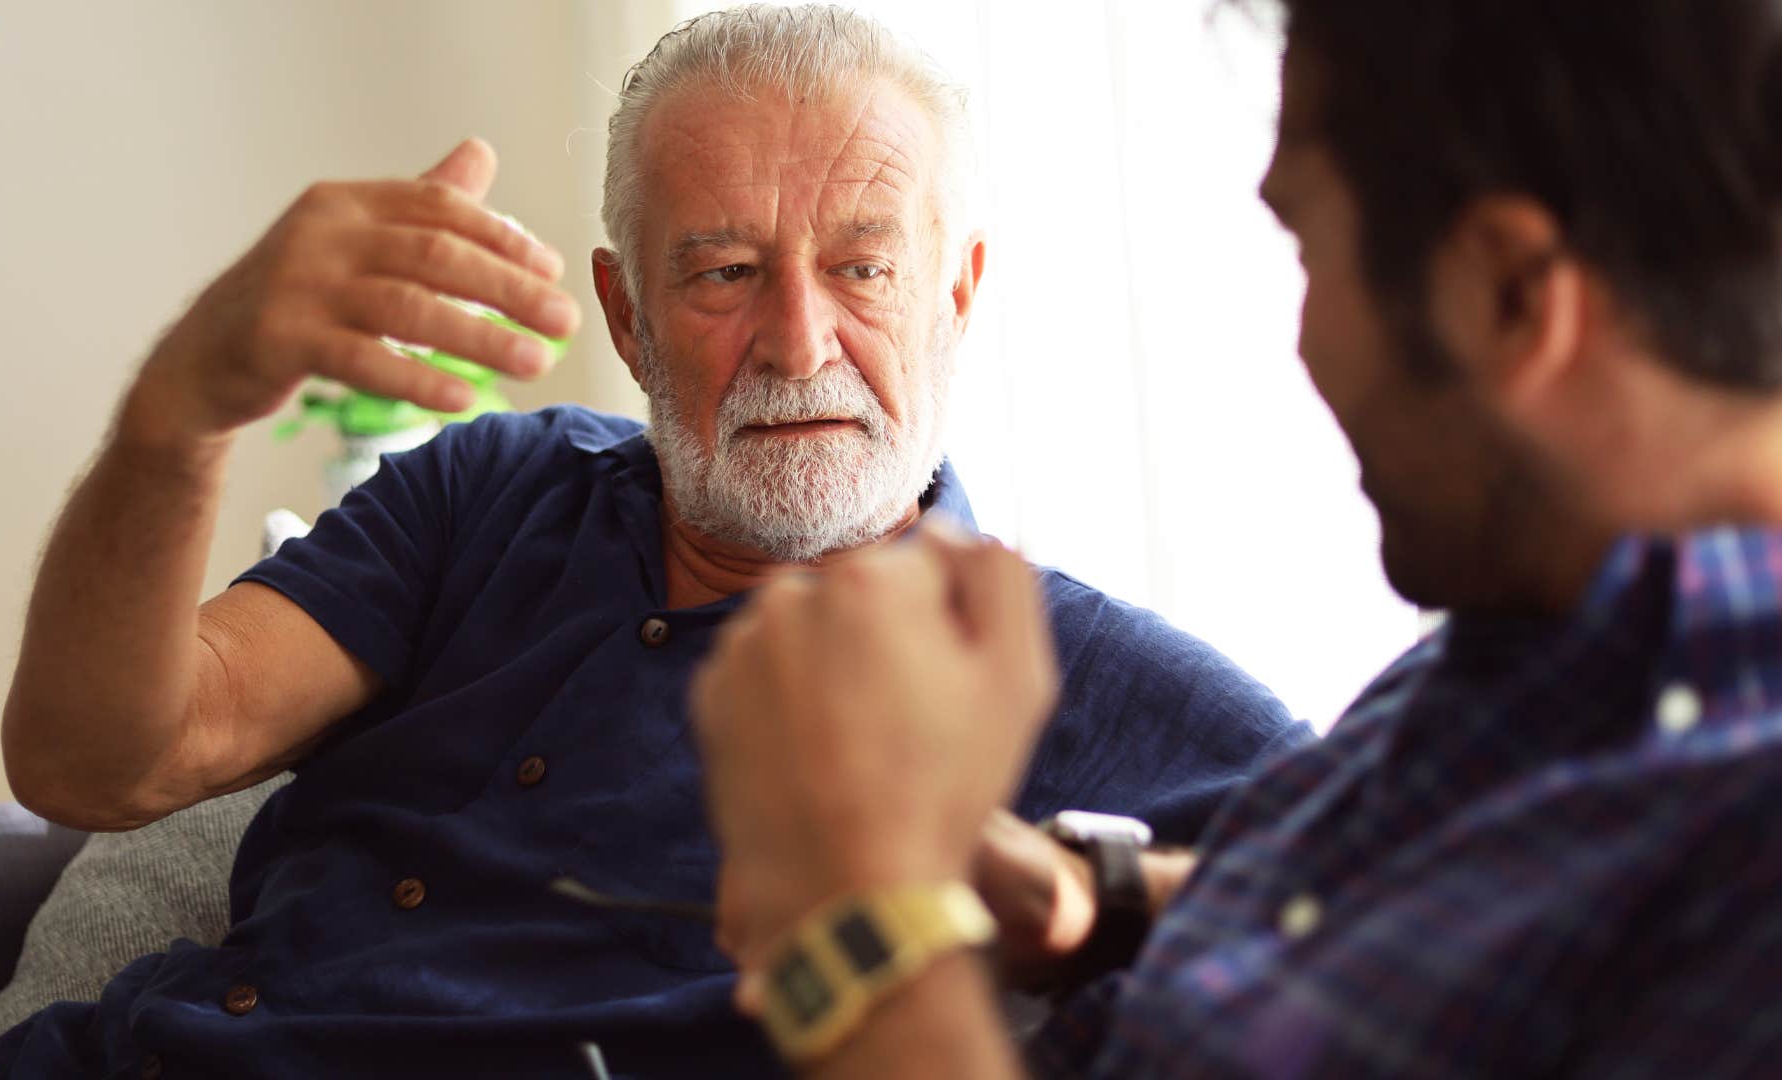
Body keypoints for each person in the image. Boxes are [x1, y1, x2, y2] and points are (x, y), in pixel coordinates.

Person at [0, 5, 1306, 1077]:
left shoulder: (1093, 693)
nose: (799, 342)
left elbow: (1366, 932)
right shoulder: (487, 490)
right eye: (725, 272)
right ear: (627, 317)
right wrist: (179, 420)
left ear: (955, 293)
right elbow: (98, 765)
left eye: (863, 268)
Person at [691, 1, 1782, 1076]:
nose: (1303, 343)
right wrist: (1098, 899)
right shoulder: (1540, 630)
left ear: (1508, 295)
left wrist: (862, 919)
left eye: (1306, 250)